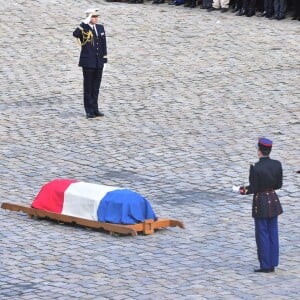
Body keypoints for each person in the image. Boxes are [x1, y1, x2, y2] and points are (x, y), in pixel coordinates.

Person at [237, 138, 283, 273]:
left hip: (261, 203)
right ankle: (273, 262)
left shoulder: (255, 167)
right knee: (273, 233)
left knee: (262, 233)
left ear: (259, 151)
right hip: (273, 201)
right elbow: (278, 185)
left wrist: (239, 189)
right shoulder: (277, 164)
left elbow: (253, 188)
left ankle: (265, 265)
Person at [73, 9, 107, 119]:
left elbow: (103, 44)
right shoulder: (84, 28)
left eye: (97, 17)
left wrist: (104, 60)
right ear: (89, 17)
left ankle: (95, 108)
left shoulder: (100, 28)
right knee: (88, 87)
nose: (96, 19)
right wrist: (84, 22)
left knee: (96, 87)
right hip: (88, 62)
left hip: (98, 62)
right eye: (93, 17)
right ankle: (89, 110)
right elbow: (75, 34)